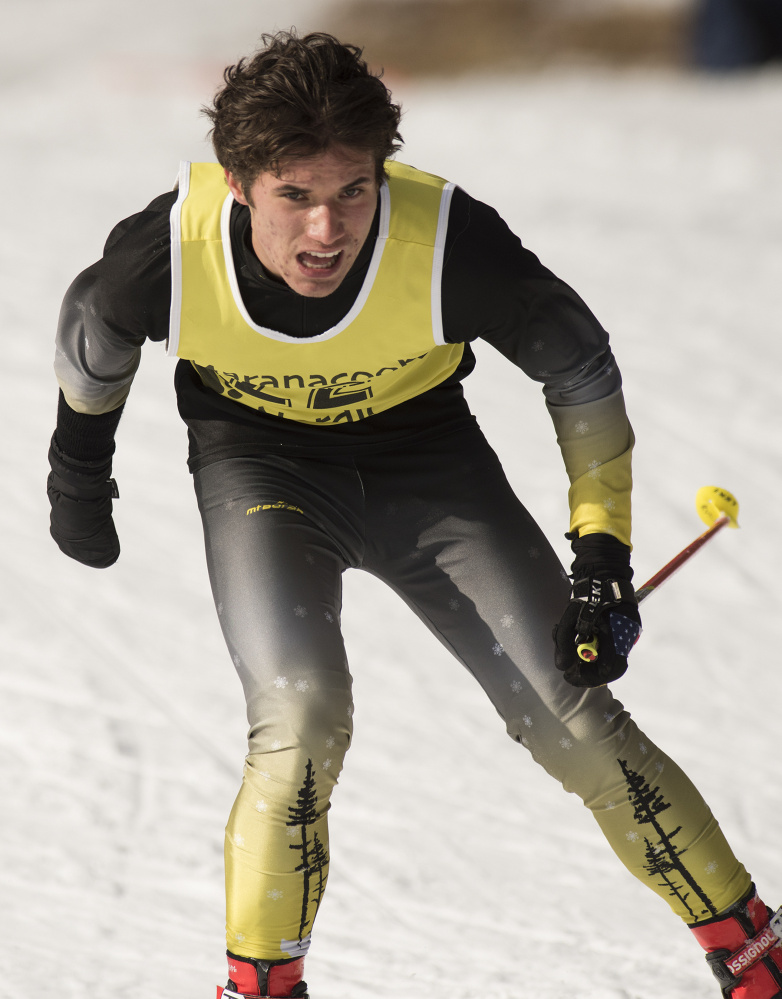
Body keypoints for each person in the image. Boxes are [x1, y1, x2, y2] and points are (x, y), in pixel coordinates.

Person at [47, 29, 781, 999]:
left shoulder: (444, 241)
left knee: (577, 719)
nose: (326, 231)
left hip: (425, 468)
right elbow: (92, 338)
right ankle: (258, 988)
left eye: (352, 191)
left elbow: (579, 370)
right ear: (238, 183)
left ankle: (754, 958)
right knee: (300, 719)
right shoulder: (167, 252)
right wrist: (78, 475)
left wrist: (600, 551)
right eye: (294, 196)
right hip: (262, 474)